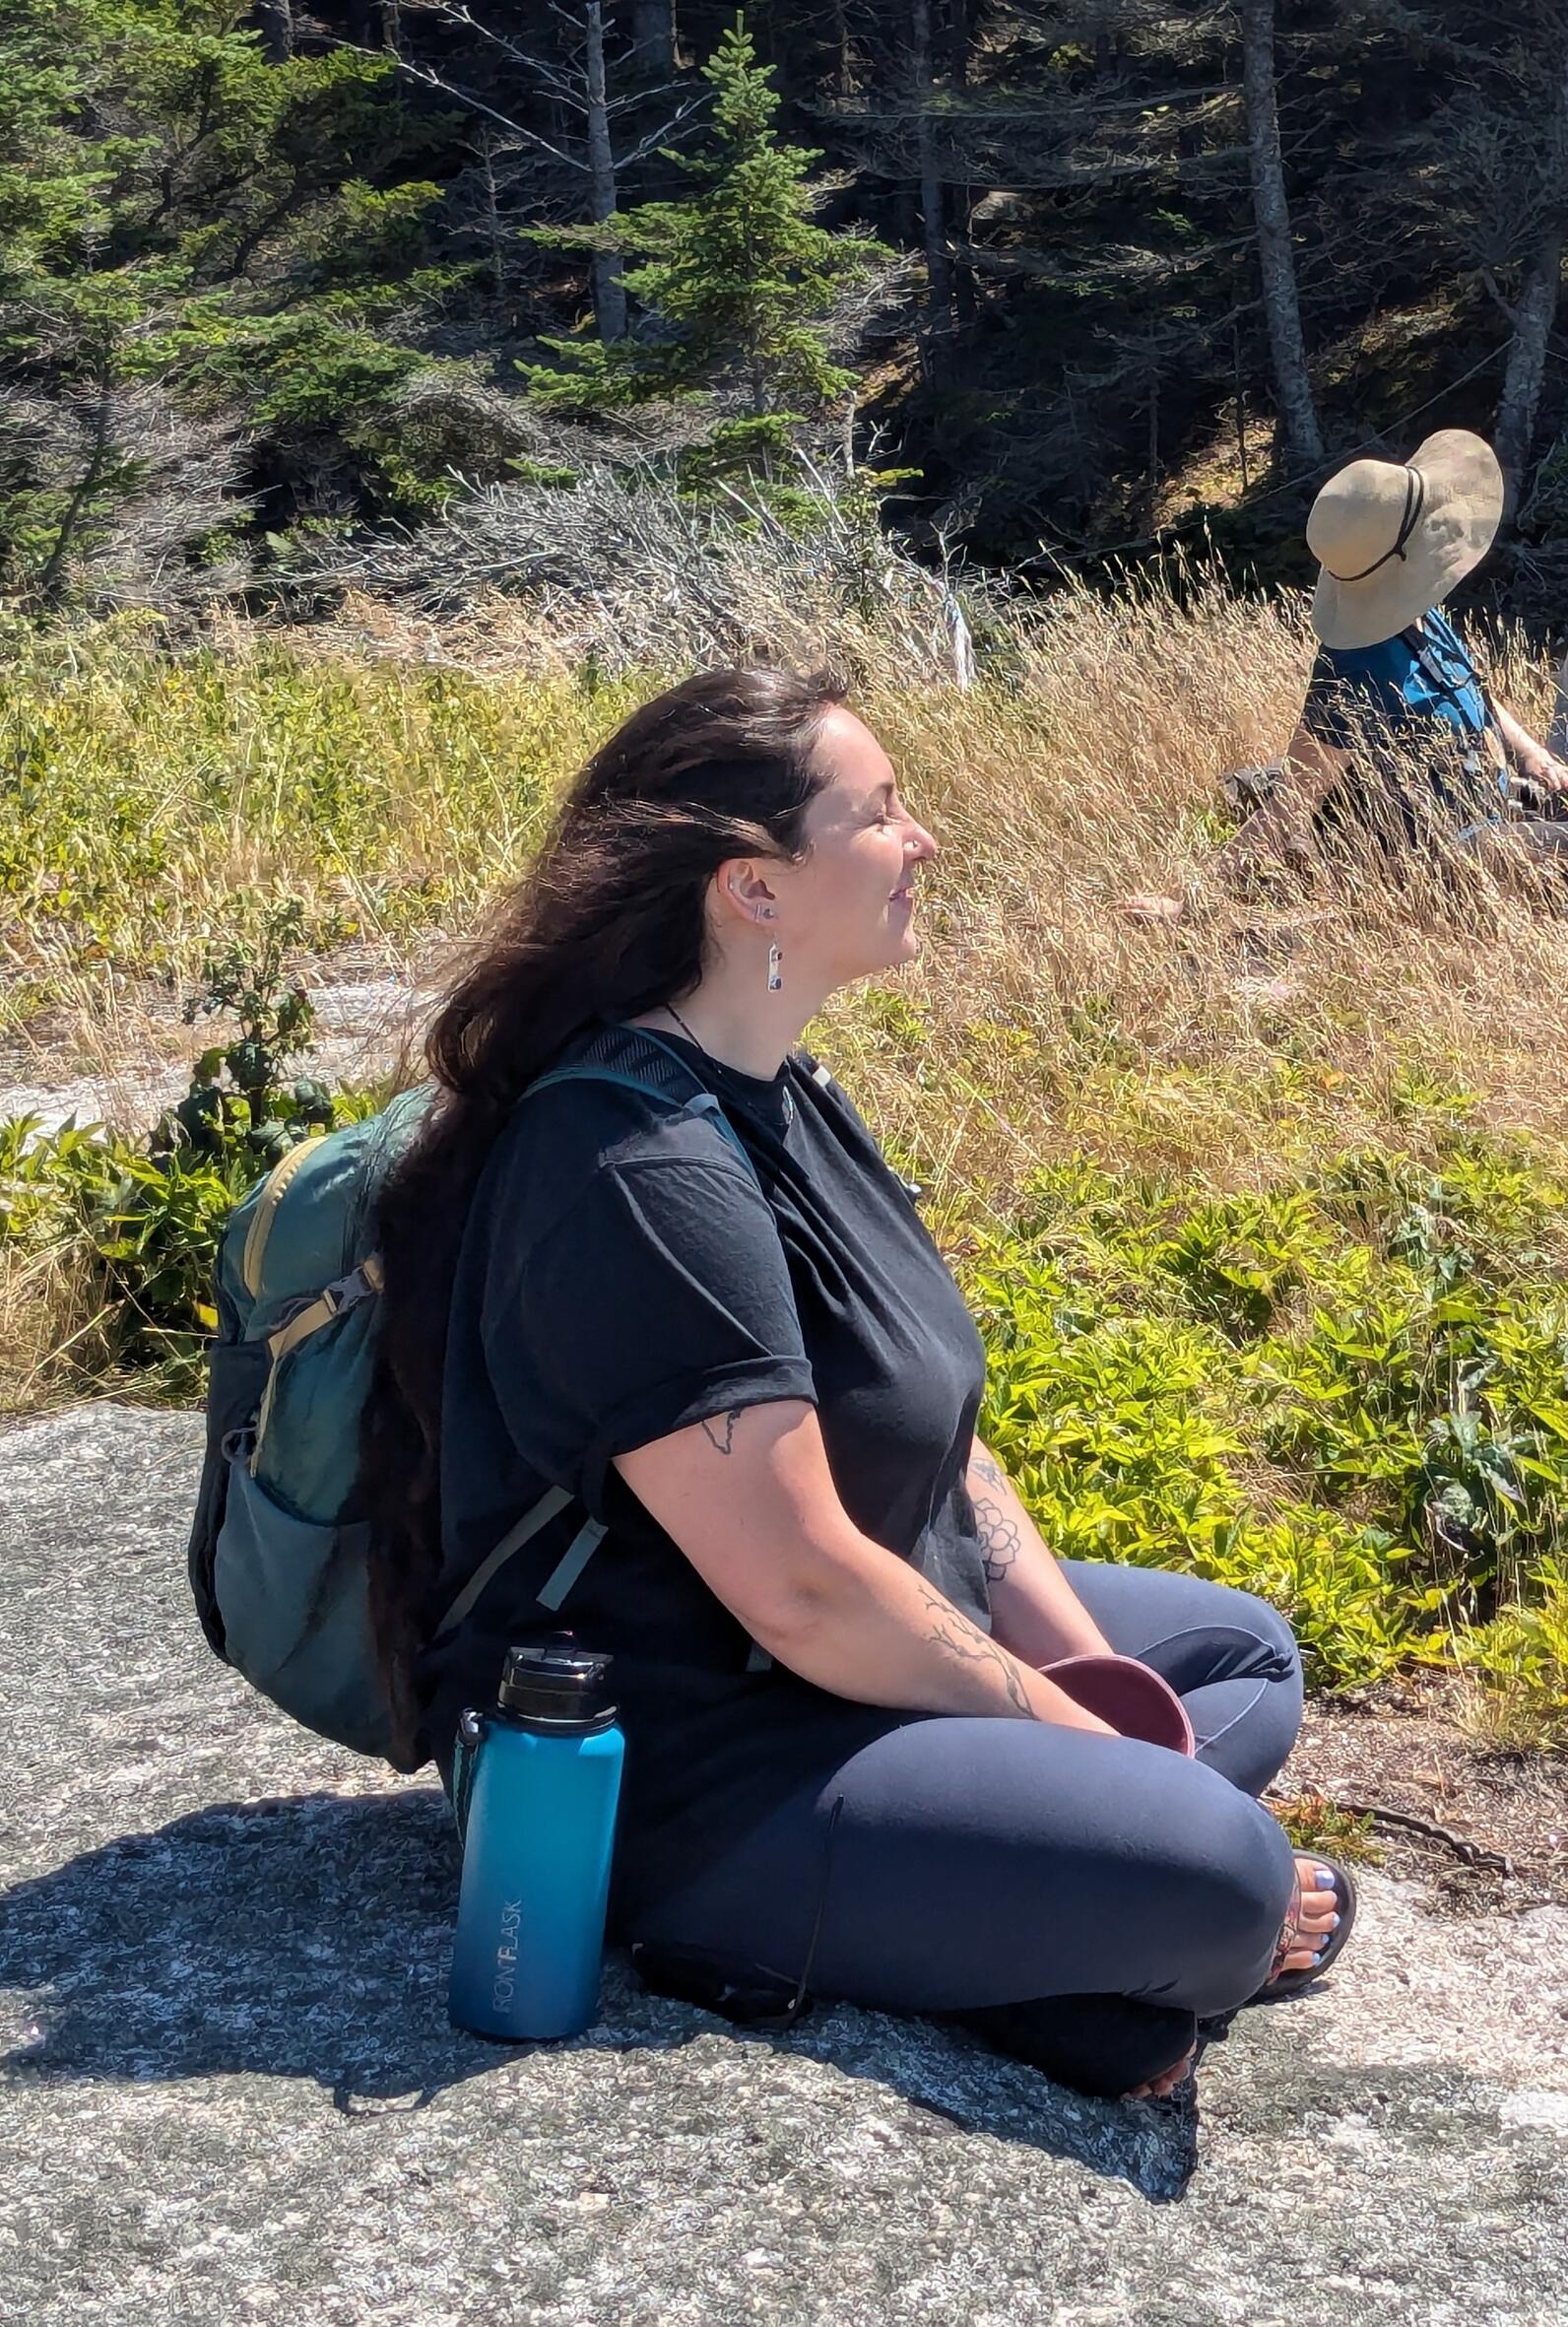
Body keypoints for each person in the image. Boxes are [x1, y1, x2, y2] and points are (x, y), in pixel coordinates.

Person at [363, 666, 1350, 2103]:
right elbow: (802, 1591)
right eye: (879, 812)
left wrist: (1098, 1694)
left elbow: (940, 1438)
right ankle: (899, 1932)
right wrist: (1110, 1762)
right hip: (699, 1754)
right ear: (753, 890)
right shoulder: (637, 1174)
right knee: (1224, 1874)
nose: (924, 839)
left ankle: (1028, 1913)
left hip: (862, 1658)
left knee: (1239, 1658)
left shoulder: (784, 1090)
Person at [1125, 430, 1568, 924]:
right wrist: (1191, 905)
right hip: (1444, 858)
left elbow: (1471, 686)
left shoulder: (1417, 611)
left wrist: (1531, 754)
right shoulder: (1351, 671)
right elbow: (1293, 800)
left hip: (1499, 799)